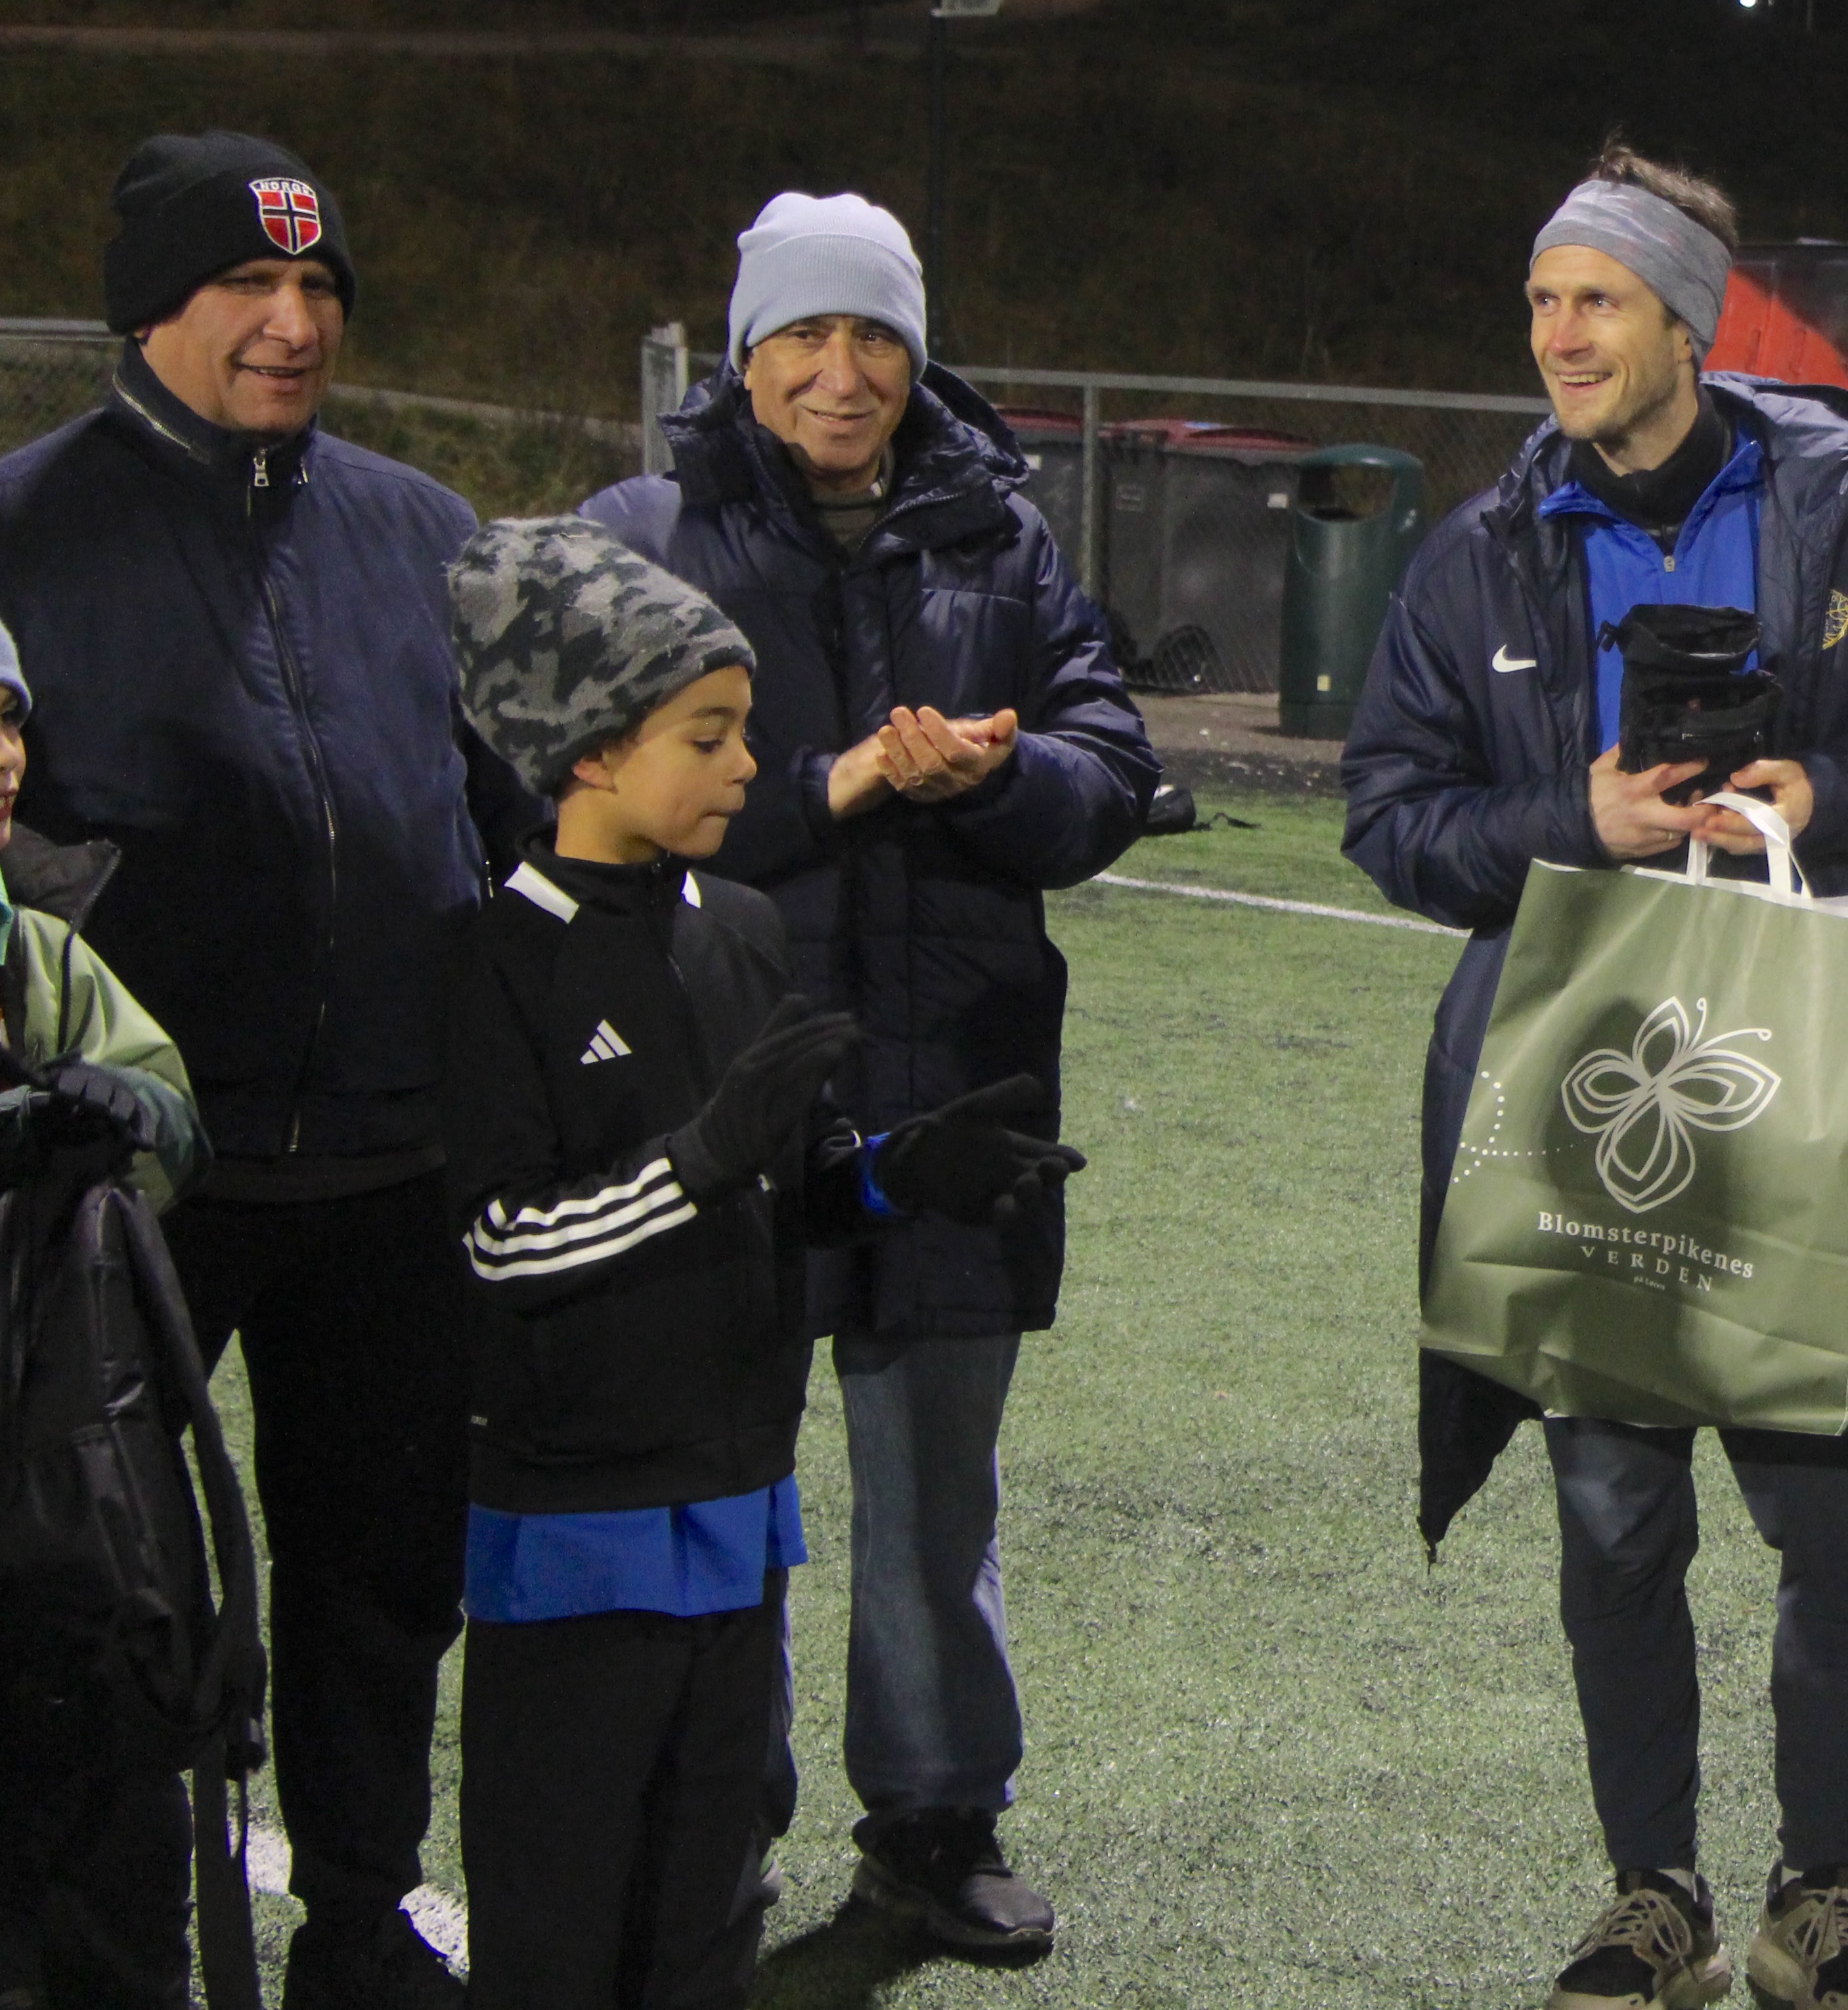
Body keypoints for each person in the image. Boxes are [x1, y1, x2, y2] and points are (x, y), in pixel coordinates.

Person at [1343, 143, 1848, 2010]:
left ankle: (1820, 1896)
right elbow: (1391, 822)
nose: (1557, 337)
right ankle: (1650, 1895)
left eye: (1593, 300)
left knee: (1837, 1511)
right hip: (1586, 1098)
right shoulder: (1479, 549)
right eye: (1540, 305)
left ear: (1685, 318)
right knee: (1616, 1517)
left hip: (1812, 1085)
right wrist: (1559, 824)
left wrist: (1828, 793)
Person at [580, 192, 1157, 1950]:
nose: (843, 375)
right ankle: (713, 1835)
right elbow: (594, 793)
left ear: (918, 349)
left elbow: (1110, 767)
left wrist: (990, 775)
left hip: (954, 1077)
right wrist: (827, 789)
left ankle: (930, 1821)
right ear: (745, 350)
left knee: (930, 1495)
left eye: (876, 338)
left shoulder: (1002, 533)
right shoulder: (652, 533)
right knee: (722, 1479)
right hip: (721, 1080)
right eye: (804, 339)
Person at [0, 131, 536, 2009]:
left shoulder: (418, 526)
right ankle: (104, 1926)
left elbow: (509, 807)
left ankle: (364, 1911)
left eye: (321, 294)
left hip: (394, 1156)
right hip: (131, 1180)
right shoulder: (21, 524)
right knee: (104, 1583)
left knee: (384, 1571)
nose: (296, 326)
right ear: (153, 306)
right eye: (253, 290)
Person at [439, 518, 1085, 2010]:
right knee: (562, 1919)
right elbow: (497, 1242)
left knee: (708, 1913)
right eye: (711, 736)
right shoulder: (491, 963)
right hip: (573, 1530)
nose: (753, 767)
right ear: (592, 750)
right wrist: (697, 1161)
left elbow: (785, 1185)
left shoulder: (737, 931)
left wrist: (893, 1176)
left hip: (738, 1512)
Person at [0, 615, 215, 2010]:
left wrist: (126, 1118)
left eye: (10, 727)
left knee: (100, 1821)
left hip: (46, 1472)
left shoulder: (39, 952)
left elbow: (168, 1120)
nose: (3, 761)